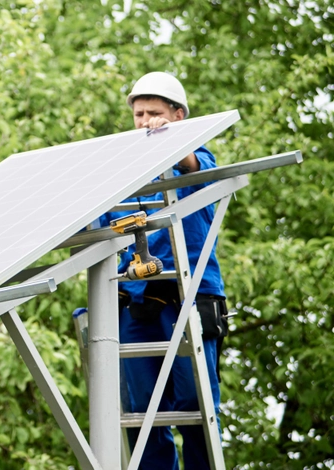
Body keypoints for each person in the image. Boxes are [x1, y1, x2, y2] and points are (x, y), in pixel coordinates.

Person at [98, 72, 229, 469]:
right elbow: (98, 228)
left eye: (153, 113)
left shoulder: (197, 161)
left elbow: (193, 164)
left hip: (188, 297)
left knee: (195, 401)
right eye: (138, 114)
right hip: (137, 303)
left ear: (178, 114)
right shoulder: (123, 176)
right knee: (140, 409)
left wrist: (172, 138)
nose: (144, 121)